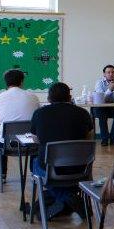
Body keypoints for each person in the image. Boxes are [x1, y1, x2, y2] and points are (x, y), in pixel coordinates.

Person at [29, 82, 93, 219]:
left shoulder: (39, 114)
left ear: (49, 98)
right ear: (69, 97)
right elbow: (89, 140)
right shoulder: (83, 113)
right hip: (81, 169)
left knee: (35, 162)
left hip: (51, 169)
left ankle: (66, 197)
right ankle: (69, 197)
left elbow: (36, 140)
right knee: (65, 176)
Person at [0, 69, 40, 181]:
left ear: (6, 82)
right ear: (22, 81)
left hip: (8, 143)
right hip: (30, 142)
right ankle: (34, 173)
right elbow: (37, 116)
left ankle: (0, 174)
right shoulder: (33, 97)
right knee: (37, 137)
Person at [94, 64, 114, 146]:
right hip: (101, 106)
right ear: (104, 74)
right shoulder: (99, 82)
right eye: (108, 72)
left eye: (113, 72)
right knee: (102, 116)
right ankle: (104, 139)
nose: (111, 74)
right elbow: (101, 98)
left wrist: (112, 91)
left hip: (112, 106)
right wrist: (110, 89)